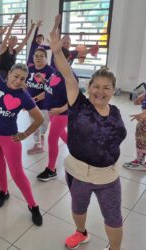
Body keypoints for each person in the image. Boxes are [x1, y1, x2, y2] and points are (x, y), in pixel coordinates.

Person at [50, 15, 126, 250]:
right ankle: (81, 232)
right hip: (78, 172)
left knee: (113, 217)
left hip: (107, 177)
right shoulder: (79, 104)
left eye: (106, 88)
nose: (100, 92)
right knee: (77, 208)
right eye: (96, 86)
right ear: (89, 87)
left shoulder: (115, 112)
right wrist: (57, 52)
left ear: (113, 91)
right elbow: (68, 76)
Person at [0, 26, 44, 226]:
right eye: (15, 76)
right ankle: (3, 191)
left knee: (17, 173)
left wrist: (25, 134)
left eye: (22, 79)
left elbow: (39, 119)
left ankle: (33, 205)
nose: (18, 81)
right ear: (8, 74)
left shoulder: (24, 96)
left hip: (9, 139)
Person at [36, 47, 71, 181]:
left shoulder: (70, 76)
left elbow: (74, 100)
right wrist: (43, 81)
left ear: (67, 59)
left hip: (62, 114)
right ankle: (76, 149)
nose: (56, 60)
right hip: (52, 111)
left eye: (60, 57)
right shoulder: (55, 72)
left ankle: (51, 170)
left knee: (52, 139)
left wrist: (60, 110)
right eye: (55, 57)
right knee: (61, 134)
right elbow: (51, 88)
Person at [25, 47, 54, 154]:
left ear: (46, 58)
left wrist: (34, 99)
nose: (38, 58)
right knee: (34, 123)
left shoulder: (50, 71)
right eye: (36, 55)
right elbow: (25, 84)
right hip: (31, 104)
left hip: (44, 105)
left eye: (41, 56)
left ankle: (41, 138)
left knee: (44, 124)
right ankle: (38, 144)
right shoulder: (30, 69)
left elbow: (49, 90)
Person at [0, 15, 35, 80]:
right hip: (2, 73)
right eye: (12, 39)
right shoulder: (3, 48)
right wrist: (14, 21)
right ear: (8, 40)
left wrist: (32, 28)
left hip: (11, 73)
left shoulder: (15, 51)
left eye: (15, 40)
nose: (14, 41)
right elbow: (8, 34)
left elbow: (25, 40)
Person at [123, 92, 146, 170]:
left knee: (141, 142)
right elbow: (136, 102)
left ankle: (140, 162)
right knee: (140, 141)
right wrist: (142, 95)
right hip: (143, 121)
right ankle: (140, 161)